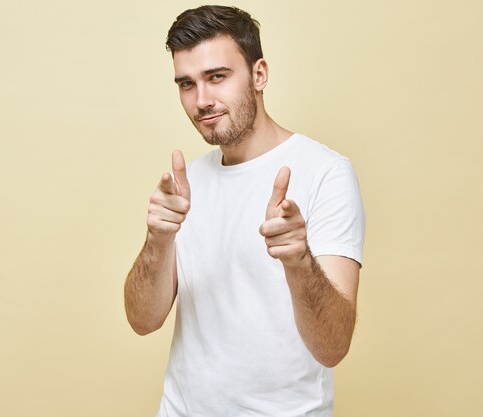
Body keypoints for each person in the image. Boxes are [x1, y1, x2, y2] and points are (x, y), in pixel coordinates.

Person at [124, 5, 365, 416]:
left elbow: (333, 347)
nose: (202, 100)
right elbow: (142, 321)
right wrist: (158, 241)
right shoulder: (187, 183)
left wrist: (298, 260)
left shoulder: (326, 172)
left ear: (259, 75)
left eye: (217, 77)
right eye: (187, 83)